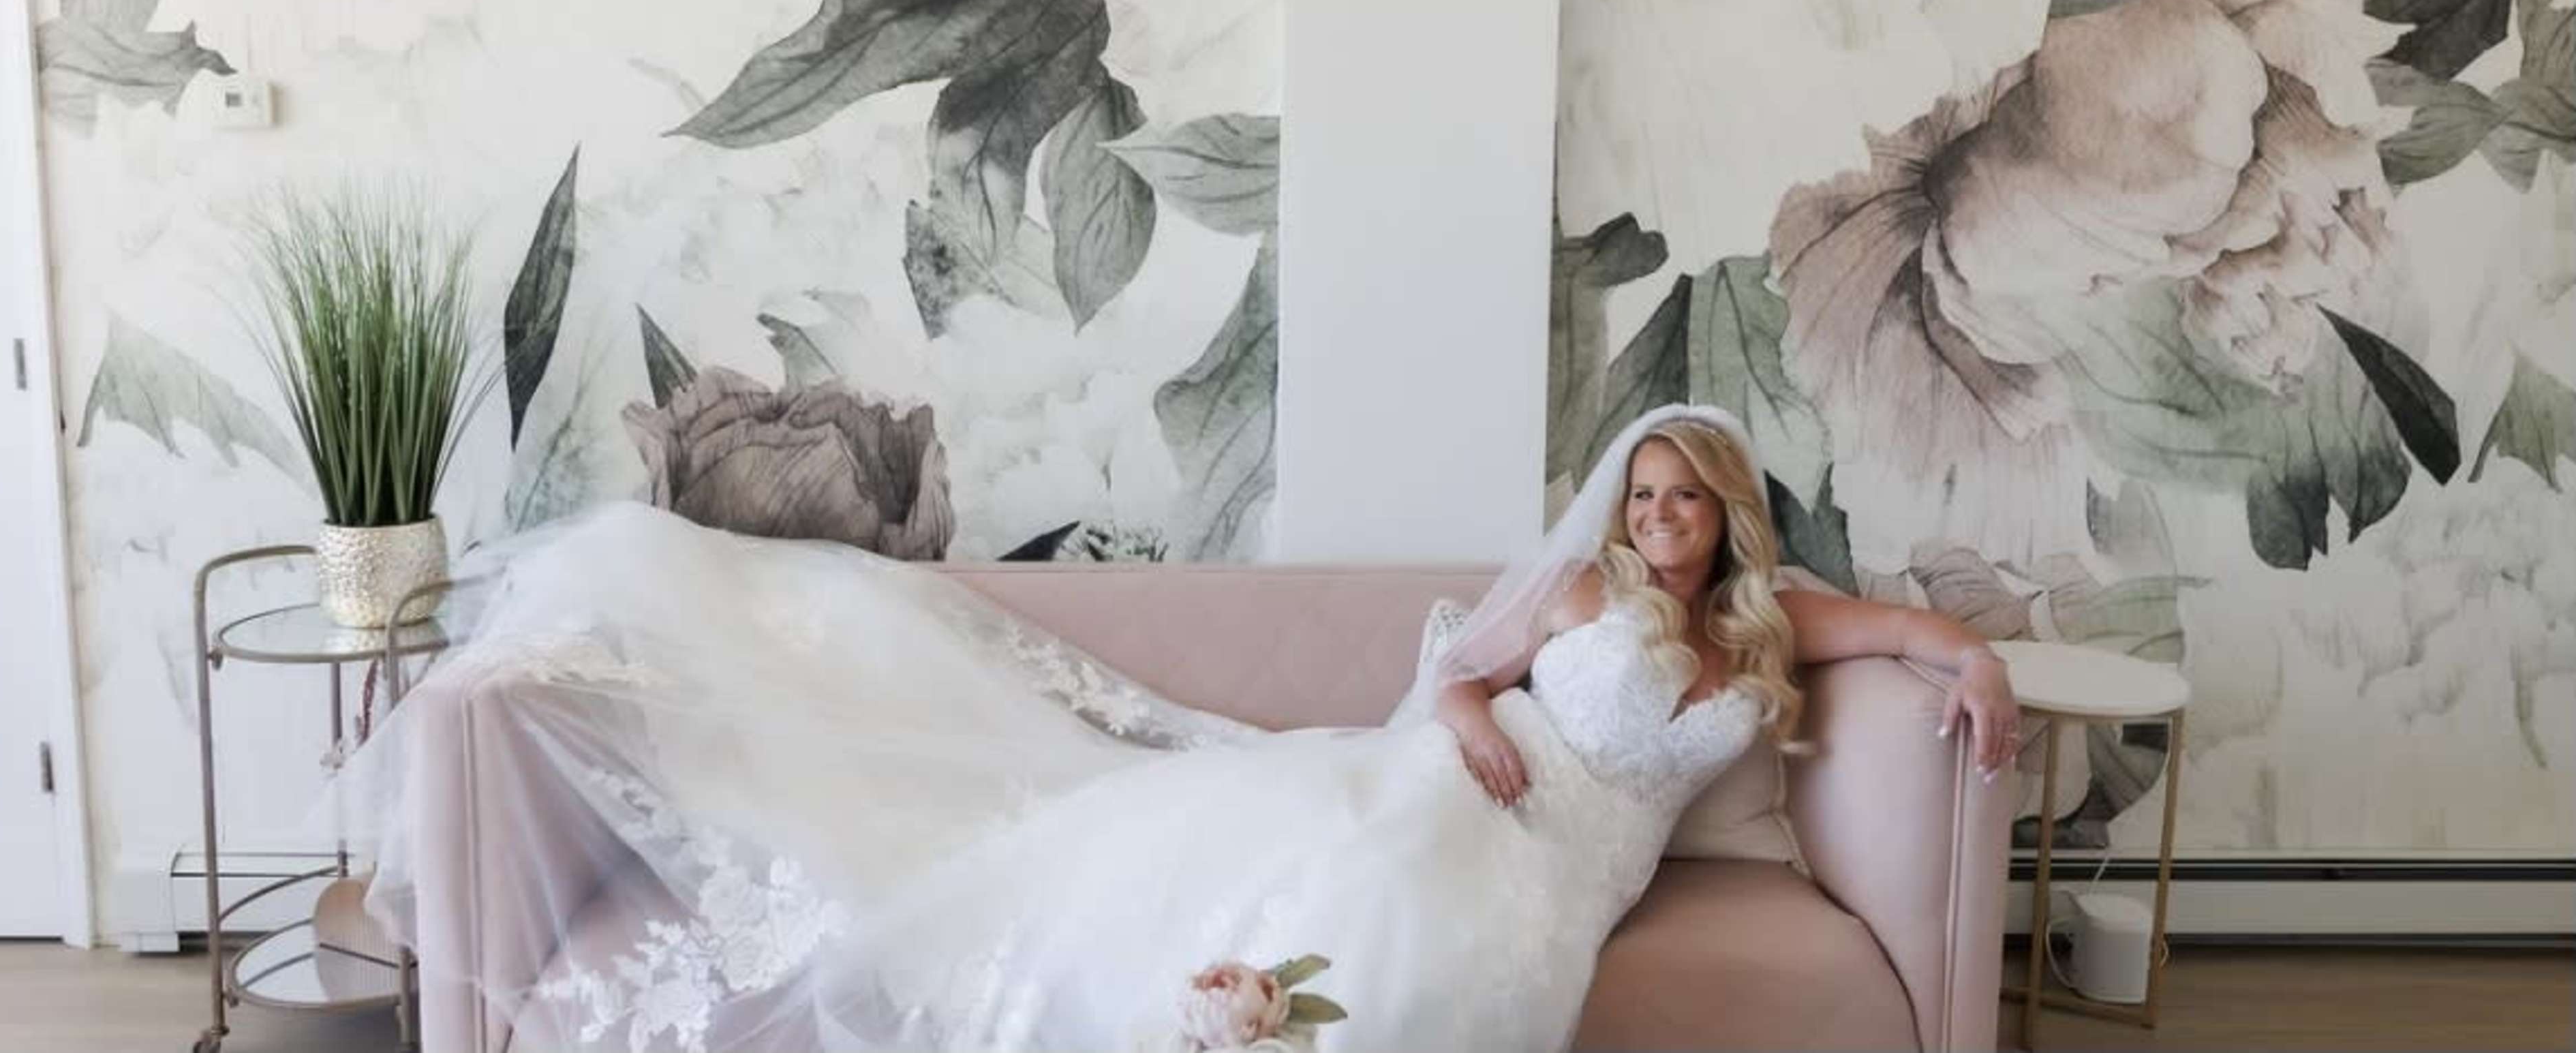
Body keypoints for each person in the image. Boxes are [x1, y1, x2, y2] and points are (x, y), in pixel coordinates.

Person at [348, 404, 2019, 1053]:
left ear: (1723, 513)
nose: (1653, 516)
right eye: (1638, 493)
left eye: (1677, 498)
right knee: (1375, 861)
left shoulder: (1768, 626)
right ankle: (1238, 1024)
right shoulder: (1578, 593)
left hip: (1585, 869)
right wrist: (1469, 714)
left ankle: (1270, 1021)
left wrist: (1989, 680)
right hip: (1463, 782)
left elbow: (1921, 634)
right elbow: (1461, 670)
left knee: (1487, 964)